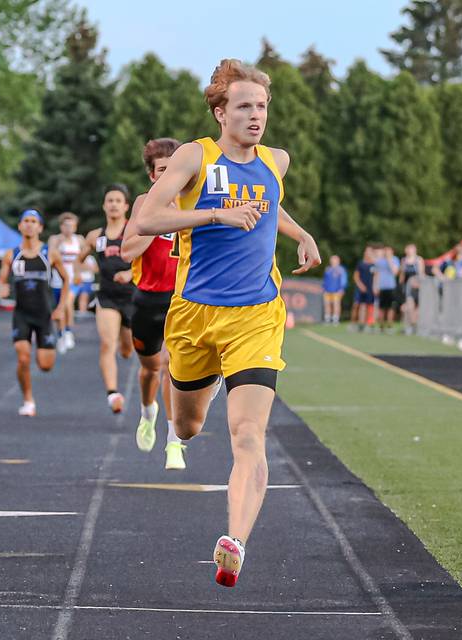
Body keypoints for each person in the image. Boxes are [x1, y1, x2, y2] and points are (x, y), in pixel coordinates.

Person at [135, 59, 321, 587]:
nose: (256, 115)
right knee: (187, 425)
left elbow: (268, 203)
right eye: (244, 106)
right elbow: (149, 218)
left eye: (261, 106)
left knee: (247, 434)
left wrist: (299, 233)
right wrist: (213, 214)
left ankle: (234, 539)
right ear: (220, 112)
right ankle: (202, 388)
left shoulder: (276, 161)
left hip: (257, 316)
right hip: (194, 314)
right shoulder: (195, 156)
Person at [121, 137, 186, 470]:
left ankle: (174, 442)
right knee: (151, 368)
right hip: (148, 298)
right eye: (162, 170)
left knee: (174, 369)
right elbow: (128, 250)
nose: (167, 176)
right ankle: (148, 413)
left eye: (173, 169)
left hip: (183, 299)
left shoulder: (193, 201)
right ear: (151, 175)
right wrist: (156, 221)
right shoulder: (145, 203)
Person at [0, 210, 68, 417]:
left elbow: (66, 280)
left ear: (40, 228)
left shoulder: (49, 253)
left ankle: (47, 345)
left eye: (33, 222)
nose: (29, 225)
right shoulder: (12, 255)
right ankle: (28, 400)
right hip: (22, 315)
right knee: (23, 358)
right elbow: (2, 279)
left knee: (45, 365)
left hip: (44, 315)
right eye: (25, 221)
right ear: (19, 226)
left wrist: (61, 306)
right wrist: (1, 287)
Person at [78, 184, 135, 414]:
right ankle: (113, 393)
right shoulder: (95, 236)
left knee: (127, 349)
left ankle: (126, 343)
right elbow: (79, 259)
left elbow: (147, 259)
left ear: (126, 206)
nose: (113, 204)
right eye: (109, 200)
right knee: (107, 344)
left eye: (118, 200)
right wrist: (85, 270)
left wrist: (131, 273)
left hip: (132, 296)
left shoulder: (134, 231)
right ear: (104, 205)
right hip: (107, 296)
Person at [49, 212, 87, 351]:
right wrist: (59, 243)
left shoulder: (80, 240)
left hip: (73, 281)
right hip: (58, 280)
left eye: (71, 226)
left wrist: (80, 272)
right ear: (61, 227)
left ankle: (69, 332)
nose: (68, 228)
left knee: (68, 303)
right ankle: (60, 334)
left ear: (75, 227)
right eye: (65, 225)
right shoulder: (55, 239)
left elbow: (84, 258)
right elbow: (51, 255)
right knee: (60, 307)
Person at [399, 243, 424, 335]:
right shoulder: (404, 260)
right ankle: (409, 326)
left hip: (417, 287)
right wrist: (400, 286)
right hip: (407, 288)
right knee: (409, 307)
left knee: (417, 308)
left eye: (411, 249)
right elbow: (402, 275)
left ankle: (415, 325)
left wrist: (419, 283)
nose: (409, 250)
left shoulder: (419, 260)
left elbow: (421, 273)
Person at [374, 245, 399, 332]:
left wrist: (389, 260)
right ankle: (381, 327)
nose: (386, 252)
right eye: (386, 251)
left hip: (391, 287)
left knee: (391, 308)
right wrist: (375, 286)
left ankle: (390, 326)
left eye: (388, 251)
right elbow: (376, 274)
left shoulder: (395, 259)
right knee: (381, 308)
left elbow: (395, 272)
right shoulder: (379, 261)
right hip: (381, 287)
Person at [353, 245, 377, 331]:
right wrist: (360, 285)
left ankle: (366, 324)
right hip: (360, 288)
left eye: (370, 252)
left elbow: (375, 276)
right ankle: (355, 323)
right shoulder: (360, 263)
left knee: (368, 305)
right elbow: (356, 276)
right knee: (357, 305)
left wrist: (375, 287)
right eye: (367, 251)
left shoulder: (373, 265)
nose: (368, 253)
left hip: (370, 288)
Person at [321, 255, 347, 324]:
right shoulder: (328, 269)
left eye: (335, 260)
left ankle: (335, 319)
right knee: (327, 304)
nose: (333, 261)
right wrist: (323, 287)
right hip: (327, 290)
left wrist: (342, 288)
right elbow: (325, 280)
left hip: (337, 290)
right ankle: (327, 319)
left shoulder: (341, 270)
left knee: (336, 304)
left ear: (338, 261)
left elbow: (343, 280)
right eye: (332, 260)